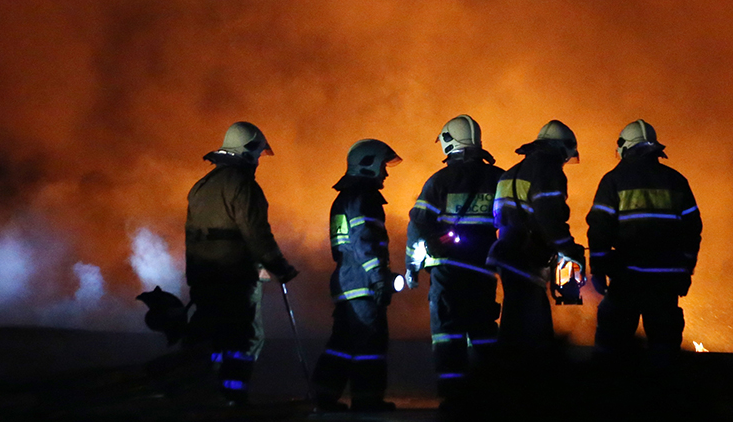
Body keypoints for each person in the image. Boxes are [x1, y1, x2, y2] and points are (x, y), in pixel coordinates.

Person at [183, 121, 299, 406]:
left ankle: (206, 394)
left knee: (211, 337)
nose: (258, 161)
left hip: (203, 278)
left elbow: (192, 236)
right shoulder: (245, 187)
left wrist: (194, 276)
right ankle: (234, 396)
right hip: (236, 279)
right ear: (248, 151)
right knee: (245, 338)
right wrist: (279, 266)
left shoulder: (200, 187)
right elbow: (257, 234)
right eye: (258, 154)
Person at [405, 114, 504, 409]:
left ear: (449, 141)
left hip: (447, 273)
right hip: (483, 271)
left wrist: (412, 267)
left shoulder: (439, 181)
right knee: (483, 330)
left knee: (447, 334)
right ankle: (489, 391)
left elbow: (418, 225)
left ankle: (453, 395)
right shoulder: (498, 178)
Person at [587, 119, 702, 368]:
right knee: (664, 350)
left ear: (625, 146)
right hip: (665, 282)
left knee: (612, 348)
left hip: (627, 278)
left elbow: (599, 229)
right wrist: (685, 270)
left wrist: (598, 269)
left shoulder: (613, 180)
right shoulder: (676, 181)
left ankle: (610, 389)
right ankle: (662, 391)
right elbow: (693, 230)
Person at [312, 139, 402, 413]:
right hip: (363, 284)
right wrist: (378, 277)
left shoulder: (344, 199)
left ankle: (324, 395)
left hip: (346, 282)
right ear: (368, 164)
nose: (385, 173)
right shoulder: (365, 198)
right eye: (383, 166)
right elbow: (365, 240)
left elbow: (343, 247)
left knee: (342, 343)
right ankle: (367, 399)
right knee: (371, 343)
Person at [487, 120, 585, 367]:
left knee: (514, 318)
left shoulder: (511, 172)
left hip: (506, 253)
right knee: (534, 325)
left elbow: (498, 218)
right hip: (527, 257)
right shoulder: (548, 170)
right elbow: (549, 216)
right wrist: (569, 249)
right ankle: (533, 378)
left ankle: (507, 375)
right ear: (562, 149)